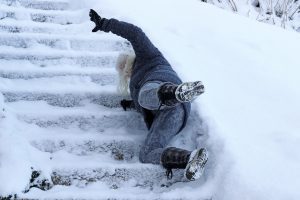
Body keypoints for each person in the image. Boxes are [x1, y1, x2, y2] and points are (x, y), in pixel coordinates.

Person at [89, 9, 208, 181]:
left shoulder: (148, 57)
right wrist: (130, 104)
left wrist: (105, 24)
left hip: (161, 83)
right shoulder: (135, 88)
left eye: (122, 67)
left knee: (146, 94)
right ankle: (190, 159)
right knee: (147, 153)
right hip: (175, 114)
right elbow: (142, 105)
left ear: (128, 60)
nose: (124, 71)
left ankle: (176, 93)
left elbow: (135, 34)